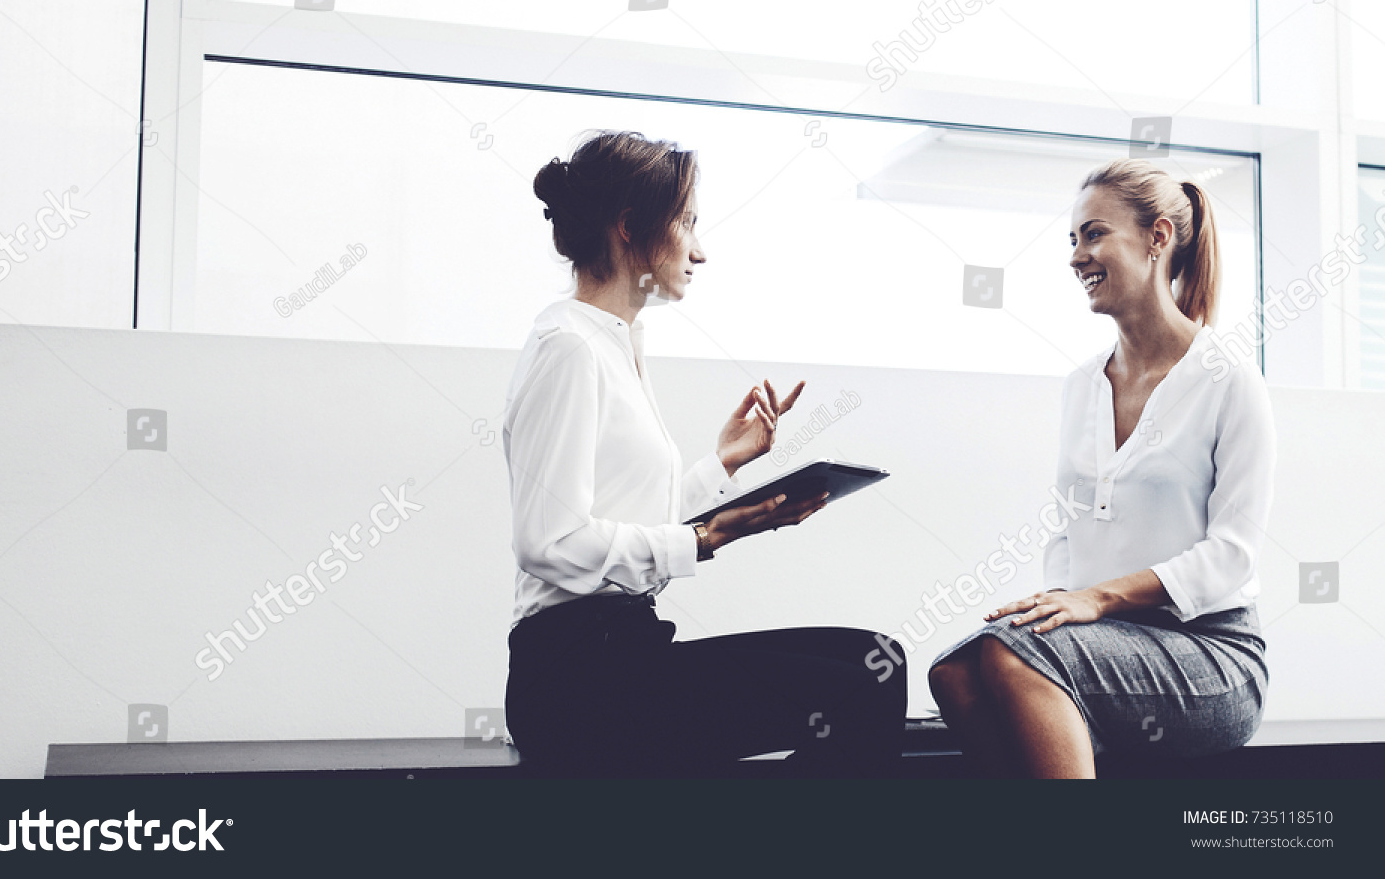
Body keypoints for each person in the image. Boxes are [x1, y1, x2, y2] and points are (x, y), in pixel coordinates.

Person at [502, 129, 905, 777]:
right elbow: (547, 540)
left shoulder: (616, 342)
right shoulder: (569, 346)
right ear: (632, 226)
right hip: (576, 679)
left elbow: (626, 515)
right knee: (860, 680)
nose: (701, 249)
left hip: (622, 648)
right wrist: (707, 537)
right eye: (688, 222)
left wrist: (725, 466)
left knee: (875, 658)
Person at [928, 157, 1275, 778]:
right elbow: (1068, 527)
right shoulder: (1082, 385)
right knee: (955, 672)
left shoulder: (1229, 378)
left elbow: (1234, 554)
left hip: (1211, 653)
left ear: (1157, 238)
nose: (1075, 255)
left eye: (1093, 234)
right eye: (1072, 239)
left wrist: (1099, 599)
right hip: (1107, 640)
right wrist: (1058, 603)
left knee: (1015, 659)